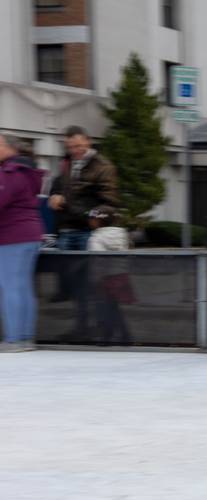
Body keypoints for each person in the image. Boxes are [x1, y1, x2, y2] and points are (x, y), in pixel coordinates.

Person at [48, 126, 119, 340]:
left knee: (94, 283)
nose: (75, 150)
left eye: (78, 146)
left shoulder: (103, 166)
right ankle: (81, 328)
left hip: (87, 231)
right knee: (76, 286)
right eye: (70, 147)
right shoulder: (66, 163)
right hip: (67, 230)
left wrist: (91, 216)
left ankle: (104, 329)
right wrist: (55, 196)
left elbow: (111, 203)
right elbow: (58, 187)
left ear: (88, 141)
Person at [0, 133, 45, 352]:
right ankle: (26, 338)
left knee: (10, 287)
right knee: (23, 287)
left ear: (10, 148)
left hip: (12, 236)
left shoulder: (9, 172)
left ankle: (13, 339)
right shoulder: (28, 172)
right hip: (31, 234)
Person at [87, 206, 134, 345]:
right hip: (120, 274)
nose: (89, 222)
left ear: (98, 221)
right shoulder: (122, 234)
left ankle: (108, 337)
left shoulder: (96, 238)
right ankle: (124, 336)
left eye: (92, 219)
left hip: (105, 277)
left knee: (105, 307)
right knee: (113, 307)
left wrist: (95, 278)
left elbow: (97, 260)